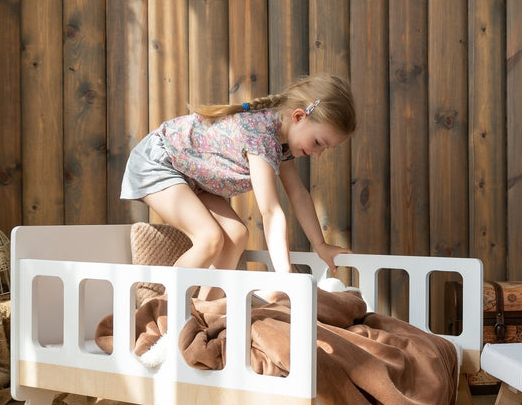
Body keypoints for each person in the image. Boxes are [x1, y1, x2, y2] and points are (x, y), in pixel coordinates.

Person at [121, 73, 357, 285]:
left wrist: (320, 245)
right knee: (209, 237)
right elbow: (271, 211)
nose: (317, 153)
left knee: (236, 234)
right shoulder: (261, 135)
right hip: (159, 161)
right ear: (298, 116)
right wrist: (284, 274)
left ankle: (208, 310)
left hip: (192, 177)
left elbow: (299, 194)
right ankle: (163, 310)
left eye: (325, 148)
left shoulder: (281, 145)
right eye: (318, 143)